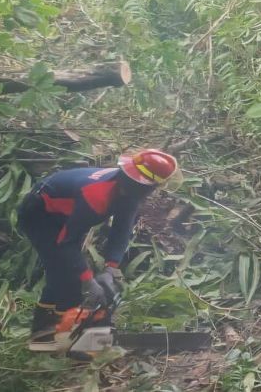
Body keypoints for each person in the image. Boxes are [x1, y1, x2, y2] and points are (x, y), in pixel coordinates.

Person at [18, 149, 178, 352]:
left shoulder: (129, 192)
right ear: (142, 184)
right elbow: (67, 243)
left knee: (65, 272)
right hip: (40, 214)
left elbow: (122, 229)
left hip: (66, 213)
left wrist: (111, 268)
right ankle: (49, 337)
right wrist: (89, 282)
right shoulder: (97, 195)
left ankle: (53, 336)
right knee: (66, 273)